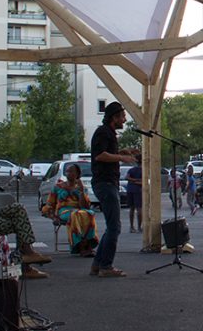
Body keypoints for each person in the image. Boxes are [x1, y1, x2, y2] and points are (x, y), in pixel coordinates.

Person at [90, 101, 138, 278]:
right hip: (105, 183)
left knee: (111, 226)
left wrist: (123, 151)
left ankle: (98, 265)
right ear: (114, 117)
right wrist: (121, 158)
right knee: (114, 227)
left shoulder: (108, 133)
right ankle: (106, 266)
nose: (124, 120)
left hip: (107, 183)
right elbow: (100, 155)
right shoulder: (103, 132)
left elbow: (105, 152)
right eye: (122, 117)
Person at [41, 163, 99, 257]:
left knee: (89, 213)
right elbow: (49, 204)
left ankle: (87, 245)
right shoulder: (58, 187)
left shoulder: (80, 188)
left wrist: (80, 191)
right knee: (75, 214)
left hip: (79, 210)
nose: (68, 173)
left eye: (71, 171)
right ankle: (81, 246)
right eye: (67, 171)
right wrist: (53, 217)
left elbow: (85, 206)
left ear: (77, 174)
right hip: (64, 211)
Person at [125, 155, 143, 231]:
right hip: (138, 190)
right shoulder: (143, 170)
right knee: (139, 208)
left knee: (131, 208)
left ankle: (131, 226)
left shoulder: (131, 170)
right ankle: (139, 227)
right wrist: (137, 181)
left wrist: (132, 180)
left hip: (130, 189)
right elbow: (143, 182)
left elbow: (127, 177)